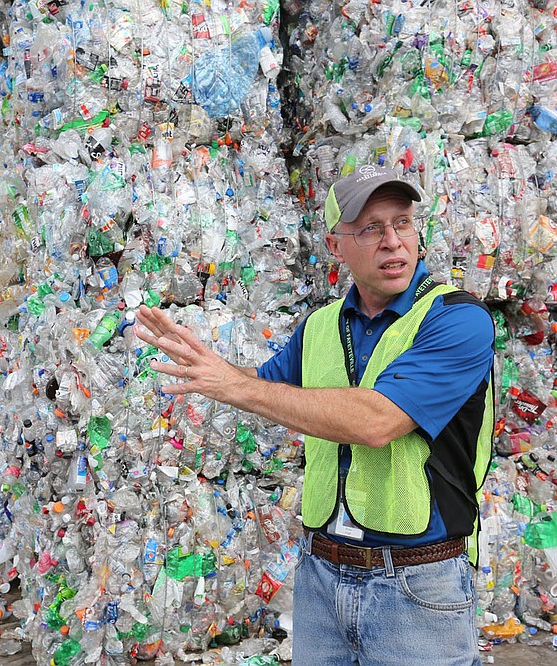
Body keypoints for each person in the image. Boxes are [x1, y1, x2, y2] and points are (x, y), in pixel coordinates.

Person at [135, 166, 495, 665]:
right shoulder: (321, 327)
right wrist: (208, 366)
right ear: (335, 247)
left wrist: (233, 384)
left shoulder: (458, 319)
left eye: (403, 223)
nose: (393, 241)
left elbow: (376, 422)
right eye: (371, 228)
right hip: (322, 575)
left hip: (417, 584)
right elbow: (263, 387)